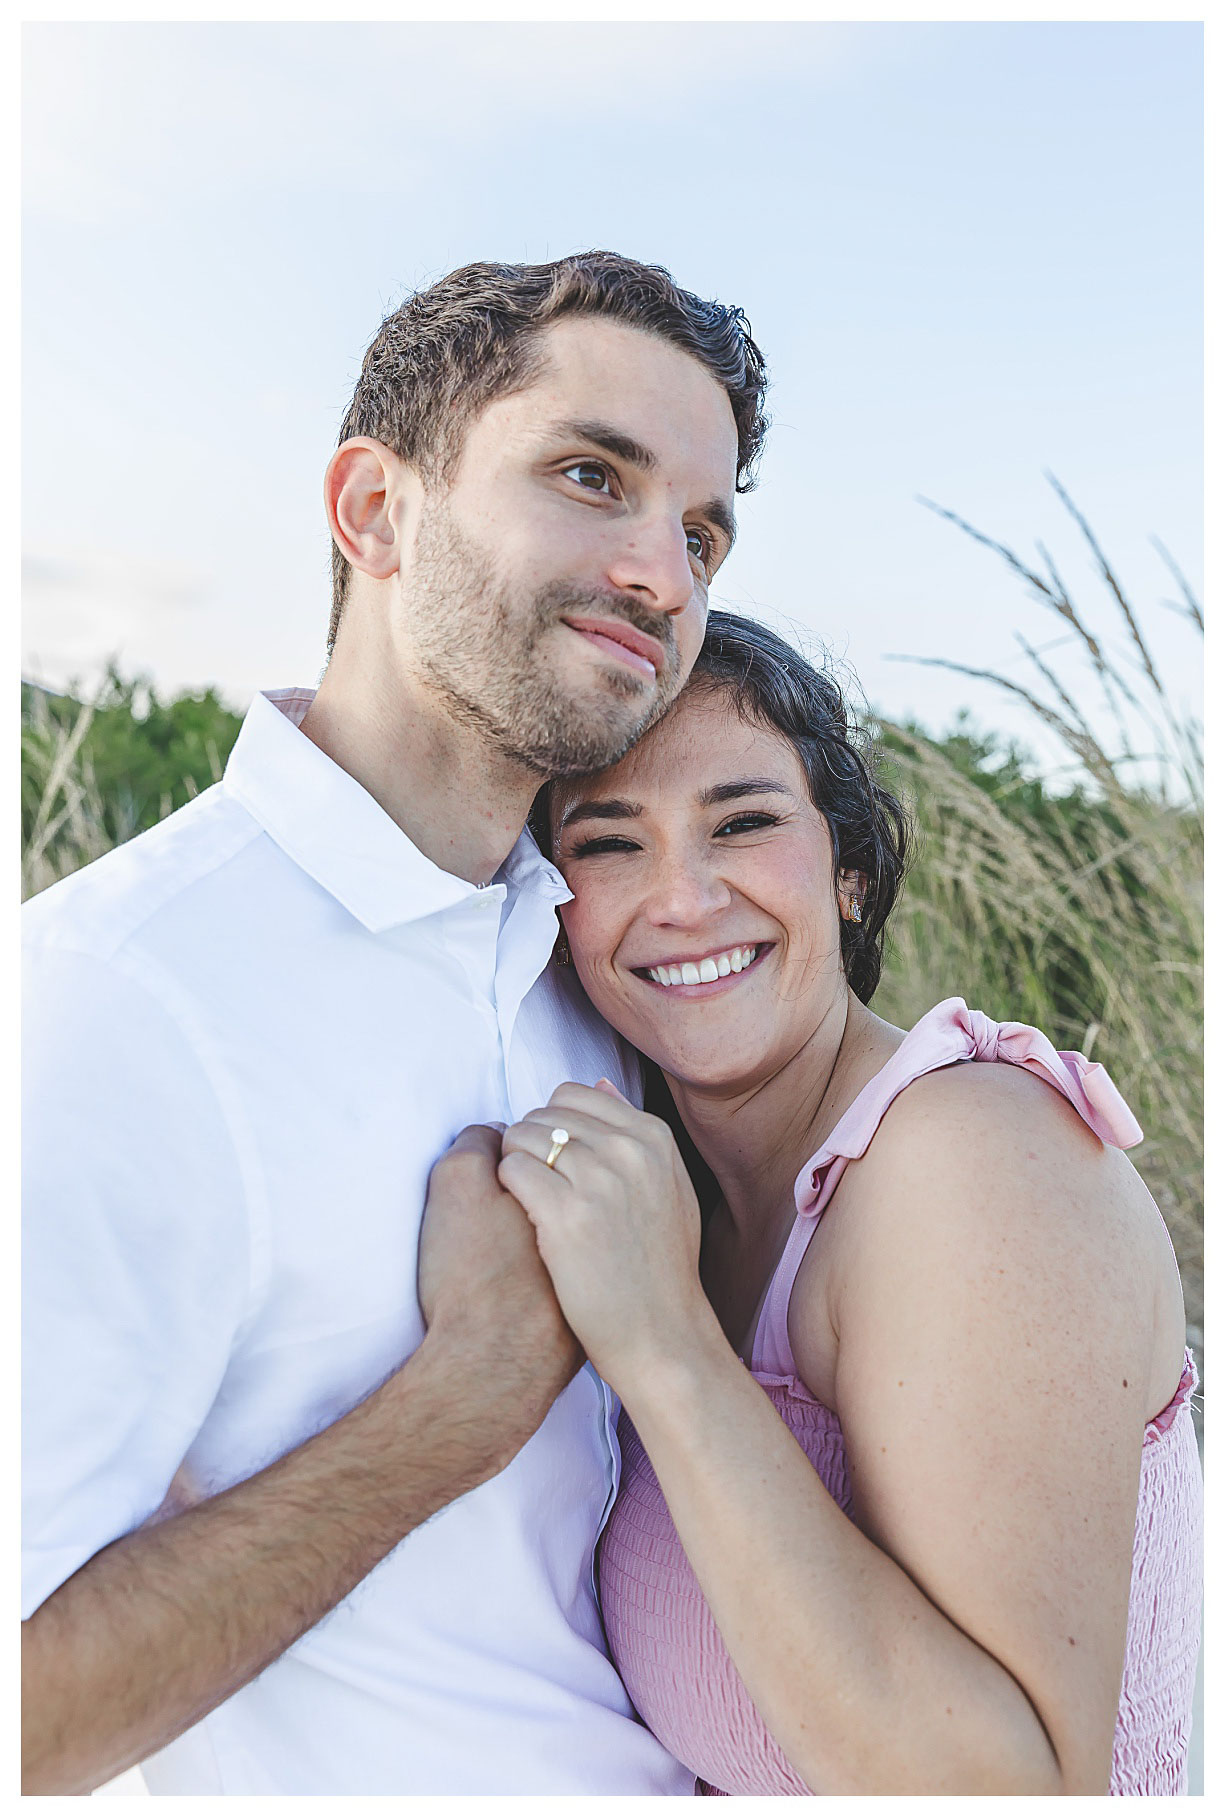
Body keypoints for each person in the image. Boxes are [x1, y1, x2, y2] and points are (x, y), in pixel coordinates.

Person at [21, 253, 767, 1795]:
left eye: (702, 532)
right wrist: (455, 1406)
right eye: (589, 474)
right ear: (374, 510)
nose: (664, 577)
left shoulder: (596, 963)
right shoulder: (117, 995)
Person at [492, 611, 1202, 1796]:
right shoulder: (680, 1186)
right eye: (610, 844)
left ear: (850, 868)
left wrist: (665, 1347)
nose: (681, 896)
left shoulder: (972, 1156)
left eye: (743, 822)